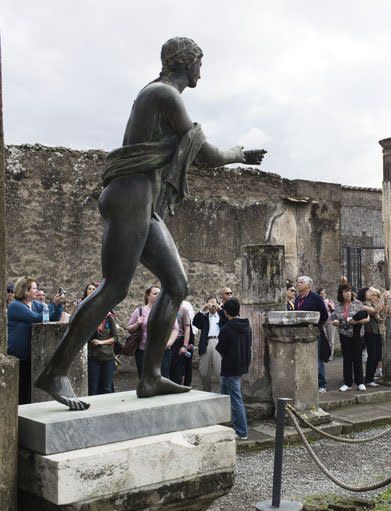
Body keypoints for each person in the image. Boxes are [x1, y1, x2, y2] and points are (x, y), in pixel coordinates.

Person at [34, 37, 266, 410]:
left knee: (176, 284)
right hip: (130, 197)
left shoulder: (159, 96)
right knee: (113, 289)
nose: (201, 70)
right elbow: (203, 154)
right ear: (185, 62)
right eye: (199, 62)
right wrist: (240, 153)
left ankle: (151, 377)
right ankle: (55, 372)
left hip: (142, 200)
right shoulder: (164, 95)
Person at [7, 276, 64, 404]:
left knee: (29, 389)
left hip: (32, 354)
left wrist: (59, 304)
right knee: (21, 390)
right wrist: (53, 304)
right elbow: (38, 318)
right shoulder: (15, 306)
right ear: (25, 290)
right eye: (34, 288)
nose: (37, 291)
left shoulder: (36, 304)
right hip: (19, 355)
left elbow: (53, 317)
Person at [215, 298, 252, 440]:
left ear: (225, 312)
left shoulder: (226, 329)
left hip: (230, 366)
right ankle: (223, 423)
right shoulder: (246, 326)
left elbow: (221, 348)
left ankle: (242, 431)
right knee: (224, 394)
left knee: (236, 399)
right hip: (242, 363)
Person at [293, 276, 330, 391]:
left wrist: (317, 325)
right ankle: (307, 382)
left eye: (301, 282)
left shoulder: (316, 298)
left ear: (308, 285)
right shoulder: (298, 299)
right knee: (303, 358)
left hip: (314, 331)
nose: (298, 284)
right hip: (301, 332)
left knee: (317, 359)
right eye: (298, 282)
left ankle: (321, 384)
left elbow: (324, 315)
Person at [330, 283, 369, 391]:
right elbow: (332, 318)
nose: (347, 293)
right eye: (345, 291)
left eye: (349, 291)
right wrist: (335, 322)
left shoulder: (358, 304)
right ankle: (347, 383)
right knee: (347, 358)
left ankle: (360, 382)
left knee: (357, 357)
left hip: (357, 334)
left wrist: (358, 321)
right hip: (344, 333)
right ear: (341, 293)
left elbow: (367, 318)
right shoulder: (338, 306)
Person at [85, 282, 119, 395]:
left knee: (107, 388)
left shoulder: (109, 318)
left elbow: (115, 337)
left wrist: (101, 342)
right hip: (93, 356)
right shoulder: (88, 316)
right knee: (93, 388)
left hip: (108, 357)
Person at [194, 296, 225, 391]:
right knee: (204, 371)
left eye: (214, 303)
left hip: (218, 342)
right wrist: (203, 309)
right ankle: (206, 392)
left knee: (220, 370)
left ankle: (224, 393)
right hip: (206, 343)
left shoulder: (222, 315)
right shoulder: (204, 316)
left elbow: (228, 321)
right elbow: (195, 323)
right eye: (210, 303)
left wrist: (220, 309)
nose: (212, 306)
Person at [361, 287, 387, 386]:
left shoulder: (373, 303)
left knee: (377, 355)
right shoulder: (363, 304)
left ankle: (371, 377)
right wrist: (382, 298)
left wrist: (383, 300)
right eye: (368, 292)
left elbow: (382, 312)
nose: (370, 294)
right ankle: (368, 379)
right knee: (372, 355)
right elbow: (375, 311)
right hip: (369, 331)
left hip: (377, 331)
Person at [170, 299, 196, 386]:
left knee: (178, 370)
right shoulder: (164, 309)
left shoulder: (183, 309)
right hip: (165, 342)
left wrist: (185, 345)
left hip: (178, 341)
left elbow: (188, 328)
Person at [318, 288, 337, 361]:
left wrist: (330, 306)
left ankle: (330, 355)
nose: (323, 295)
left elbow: (334, 310)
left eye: (324, 293)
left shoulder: (330, 301)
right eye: (321, 293)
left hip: (330, 320)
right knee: (323, 337)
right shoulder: (318, 301)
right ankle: (324, 354)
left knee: (331, 338)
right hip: (322, 320)